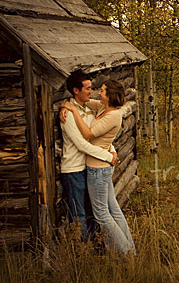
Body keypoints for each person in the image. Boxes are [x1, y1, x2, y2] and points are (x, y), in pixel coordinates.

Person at [61, 79, 136, 255]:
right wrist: (66, 105)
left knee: (102, 214)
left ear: (109, 96)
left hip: (98, 169)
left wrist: (71, 110)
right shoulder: (102, 108)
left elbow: (88, 134)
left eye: (102, 91)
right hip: (101, 168)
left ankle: (125, 253)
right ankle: (130, 249)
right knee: (113, 210)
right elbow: (80, 102)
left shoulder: (113, 115)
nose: (97, 92)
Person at [60, 70, 119, 242]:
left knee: (93, 213)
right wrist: (108, 157)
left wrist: (112, 149)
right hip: (73, 170)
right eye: (87, 88)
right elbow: (82, 144)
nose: (91, 91)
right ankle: (82, 254)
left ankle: (96, 249)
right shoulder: (69, 115)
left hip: (88, 167)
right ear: (76, 91)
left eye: (91, 87)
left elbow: (100, 136)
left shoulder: (88, 109)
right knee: (78, 216)